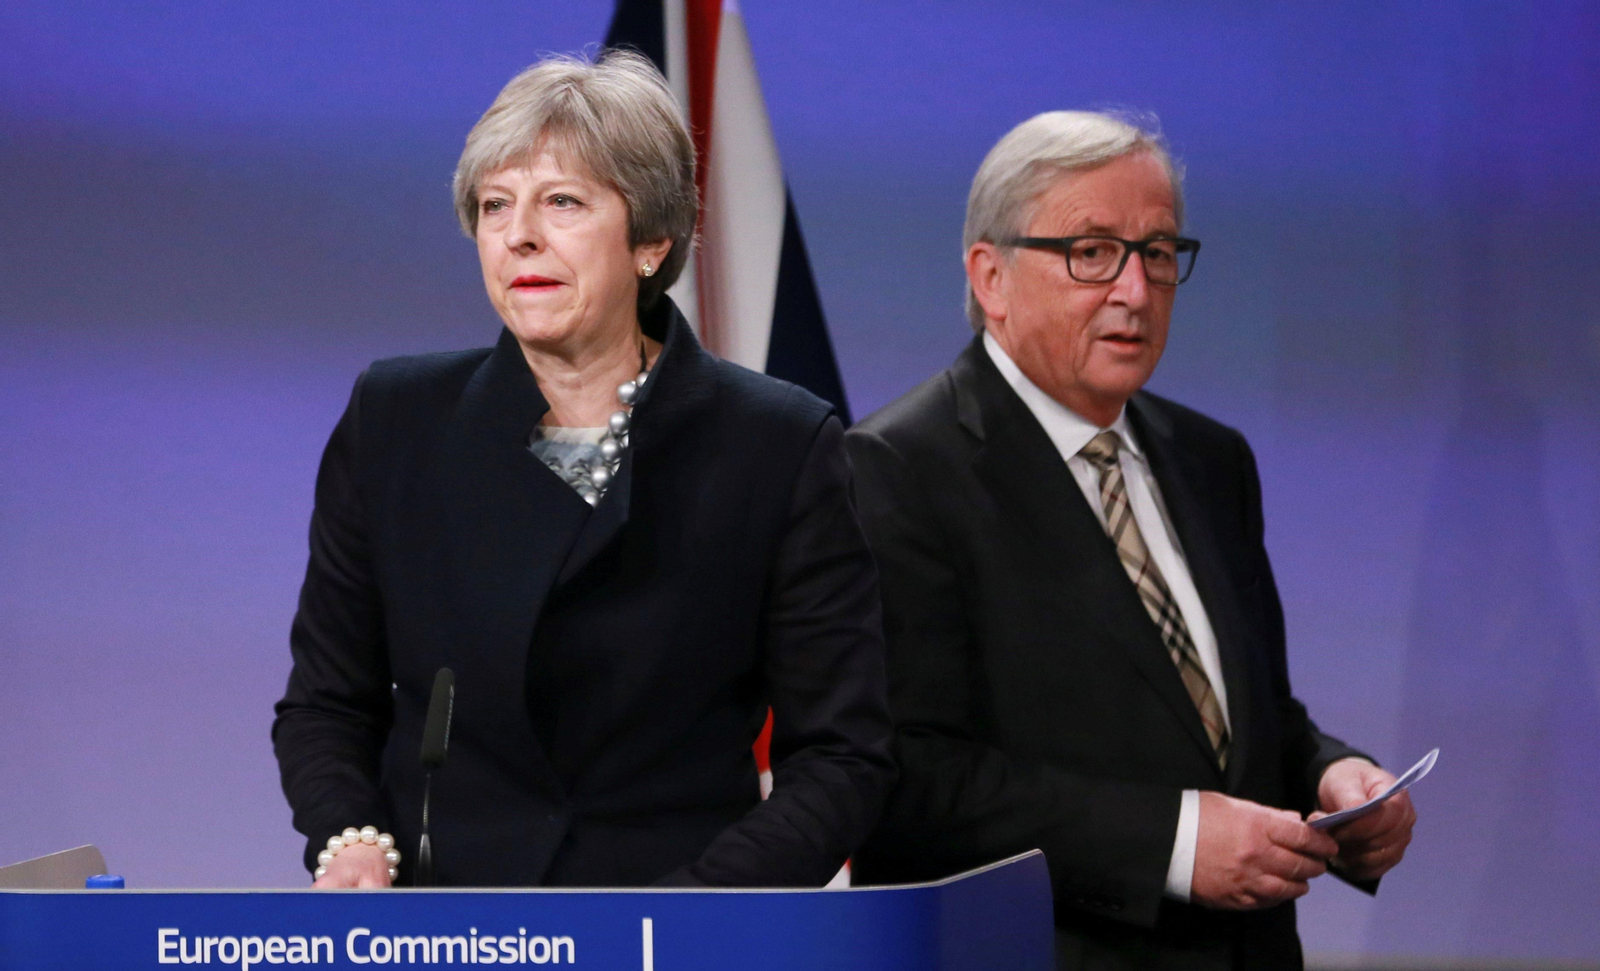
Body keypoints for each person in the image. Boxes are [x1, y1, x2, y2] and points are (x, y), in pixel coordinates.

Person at [272, 51, 893, 889]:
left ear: (651, 240)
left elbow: (841, 754)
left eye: (561, 201)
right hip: (458, 925)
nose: (520, 233)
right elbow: (326, 703)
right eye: (496, 205)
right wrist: (350, 837)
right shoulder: (396, 420)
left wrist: (697, 909)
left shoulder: (776, 444)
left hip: (679, 924)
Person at [845, 111, 1415, 969]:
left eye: (1156, 252)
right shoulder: (894, 470)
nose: (1136, 290)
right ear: (990, 276)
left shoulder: (1211, 459)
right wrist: (1176, 843)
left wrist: (1335, 778)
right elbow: (908, 779)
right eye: (1092, 252)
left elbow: (1246, 718)